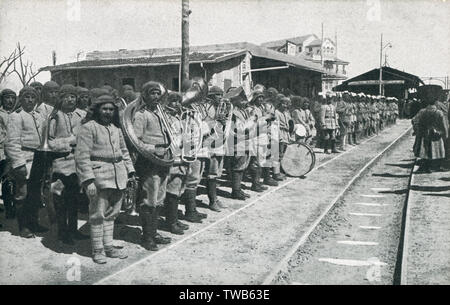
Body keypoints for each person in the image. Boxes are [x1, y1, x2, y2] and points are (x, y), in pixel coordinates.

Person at [75, 94, 134, 263]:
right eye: (104, 109)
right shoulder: (88, 128)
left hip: (118, 177)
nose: (107, 112)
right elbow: (82, 156)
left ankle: (109, 247)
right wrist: (88, 181)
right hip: (98, 177)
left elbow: (124, 152)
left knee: (112, 214)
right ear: (97, 110)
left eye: (110, 109)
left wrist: (130, 171)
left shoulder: (116, 129)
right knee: (97, 215)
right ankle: (97, 250)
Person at [132, 81, 172, 251]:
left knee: (159, 199)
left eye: (158, 94)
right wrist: (154, 149)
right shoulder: (141, 115)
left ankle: (153, 232)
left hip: (164, 161)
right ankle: (147, 237)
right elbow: (135, 140)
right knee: (149, 199)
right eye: (152, 93)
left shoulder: (161, 114)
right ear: (145, 96)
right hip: (149, 162)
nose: (156, 97)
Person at [48, 84, 88, 245]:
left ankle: (73, 230)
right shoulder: (54, 116)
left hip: (78, 164)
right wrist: (69, 142)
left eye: (73, 96)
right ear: (61, 98)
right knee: (60, 200)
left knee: (74, 199)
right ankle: (62, 232)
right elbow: (49, 143)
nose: (71, 99)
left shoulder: (82, 115)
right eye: (67, 96)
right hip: (60, 164)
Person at [5, 86, 47, 238]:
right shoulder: (17, 116)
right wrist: (19, 164)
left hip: (39, 158)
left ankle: (34, 222)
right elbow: (12, 142)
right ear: (20, 99)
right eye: (27, 97)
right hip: (25, 158)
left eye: (33, 97)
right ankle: (23, 227)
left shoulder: (39, 116)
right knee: (22, 194)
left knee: (35, 194)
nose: (30, 100)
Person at [162, 92, 190, 234]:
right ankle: (170, 222)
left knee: (178, 190)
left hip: (182, 156)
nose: (177, 104)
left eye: (179, 101)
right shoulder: (165, 117)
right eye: (173, 101)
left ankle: (174, 219)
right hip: (172, 157)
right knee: (172, 191)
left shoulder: (179, 117)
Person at [412, 85, 448, 173]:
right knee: (437, 149)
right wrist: (445, 134)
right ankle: (436, 166)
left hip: (425, 134)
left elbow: (414, 120)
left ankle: (426, 166)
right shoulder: (439, 112)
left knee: (426, 149)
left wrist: (418, 131)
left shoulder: (422, 111)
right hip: (437, 134)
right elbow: (444, 125)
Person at [0, 89, 17, 219]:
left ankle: (11, 208)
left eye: (12, 98)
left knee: (11, 181)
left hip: (13, 152)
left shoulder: (16, 114)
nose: (10, 101)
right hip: (2, 153)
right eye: (7, 98)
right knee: (4, 180)